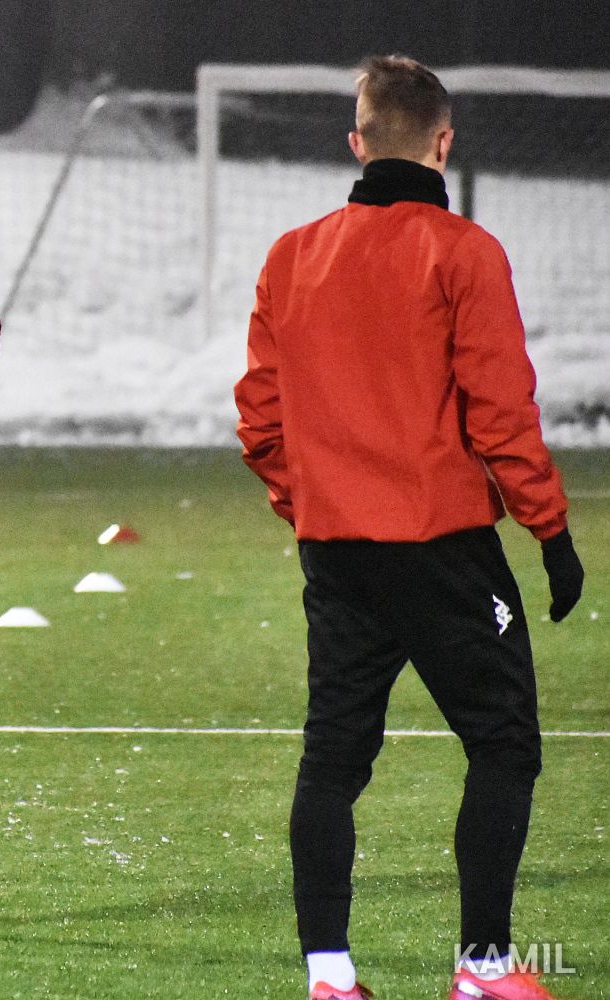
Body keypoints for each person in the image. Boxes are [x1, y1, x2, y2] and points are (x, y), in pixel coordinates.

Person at [233, 55, 585, 1000]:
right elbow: (500, 413)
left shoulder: (291, 255)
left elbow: (260, 420)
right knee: (503, 744)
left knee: (333, 759)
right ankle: (482, 969)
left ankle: (330, 976)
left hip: (337, 554)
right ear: (444, 142)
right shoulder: (464, 251)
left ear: (357, 143)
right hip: (442, 551)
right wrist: (550, 532)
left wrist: (315, 505)